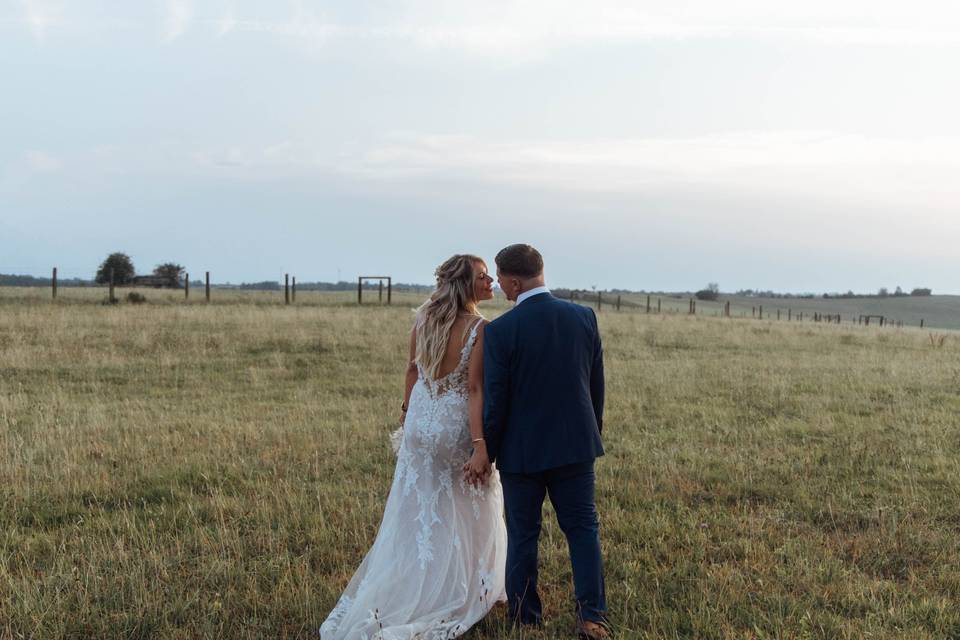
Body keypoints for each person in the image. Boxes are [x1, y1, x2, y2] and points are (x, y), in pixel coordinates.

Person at [320, 254, 507, 639]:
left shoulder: (423, 318)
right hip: (455, 425)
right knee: (474, 500)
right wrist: (479, 445)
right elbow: (474, 390)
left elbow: (411, 370)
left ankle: (420, 574)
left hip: (421, 421)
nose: (491, 282)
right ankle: (467, 587)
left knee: (419, 505)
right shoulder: (480, 328)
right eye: (483, 277)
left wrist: (407, 416)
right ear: (465, 284)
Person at [473, 243, 609, 639]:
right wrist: (590, 434)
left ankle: (525, 615)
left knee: (523, 533)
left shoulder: (501, 331)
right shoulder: (583, 317)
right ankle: (592, 616)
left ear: (514, 281)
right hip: (575, 445)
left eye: (499, 277)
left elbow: (496, 399)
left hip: (522, 451)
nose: (498, 284)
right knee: (583, 529)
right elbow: (594, 385)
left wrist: (490, 450)